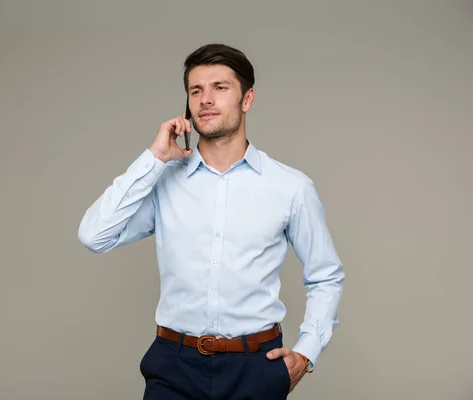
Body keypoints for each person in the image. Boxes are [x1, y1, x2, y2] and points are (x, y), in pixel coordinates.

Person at [78, 43, 345, 399]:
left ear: (246, 99)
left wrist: (307, 350)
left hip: (256, 367)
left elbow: (326, 275)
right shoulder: (164, 181)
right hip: (174, 365)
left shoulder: (290, 187)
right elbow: (94, 235)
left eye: (220, 88)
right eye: (196, 90)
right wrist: (155, 158)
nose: (206, 99)